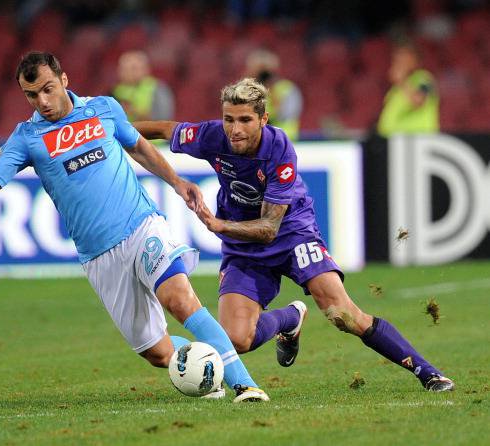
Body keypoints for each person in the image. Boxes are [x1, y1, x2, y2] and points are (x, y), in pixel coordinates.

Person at [0, 52, 268, 403]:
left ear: (64, 80)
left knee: (179, 298)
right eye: (32, 95)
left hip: (141, 225)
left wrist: (177, 182)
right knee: (158, 352)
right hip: (99, 255)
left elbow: (139, 147)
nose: (42, 101)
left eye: (48, 89)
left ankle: (246, 386)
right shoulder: (27, 137)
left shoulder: (103, 109)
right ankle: (206, 366)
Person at [134, 78, 454, 392]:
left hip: (292, 232)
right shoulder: (212, 136)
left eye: (245, 120)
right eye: (229, 119)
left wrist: (220, 226)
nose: (235, 129)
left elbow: (269, 228)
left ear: (263, 119)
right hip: (242, 245)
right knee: (236, 339)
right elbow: (164, 129)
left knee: (343, 314)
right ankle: (290, 318)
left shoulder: (278, 147)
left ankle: (428, 373)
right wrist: (113, 132)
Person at [376, 43, 439, 137]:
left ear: (415, 61)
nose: (398, 63)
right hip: (395, 139)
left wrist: (401, 81)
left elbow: (419, 100)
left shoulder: (423, 78)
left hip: (417, 138)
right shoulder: (396, 88)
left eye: (403, 58)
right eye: (396, 59)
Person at [245, 48, 302, 141]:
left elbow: (287, 115)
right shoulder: (244, 91)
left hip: (283, 140)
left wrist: (272, 93)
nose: (263, 76)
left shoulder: (287, 89)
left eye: (265, 71)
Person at [112, 50, 174, 122]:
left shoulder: (157, 89)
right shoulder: (115, 91)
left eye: (133, 68)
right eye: (124, 68)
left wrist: (135, 113)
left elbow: (164, 118)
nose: (128, 72)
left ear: (145, 69)